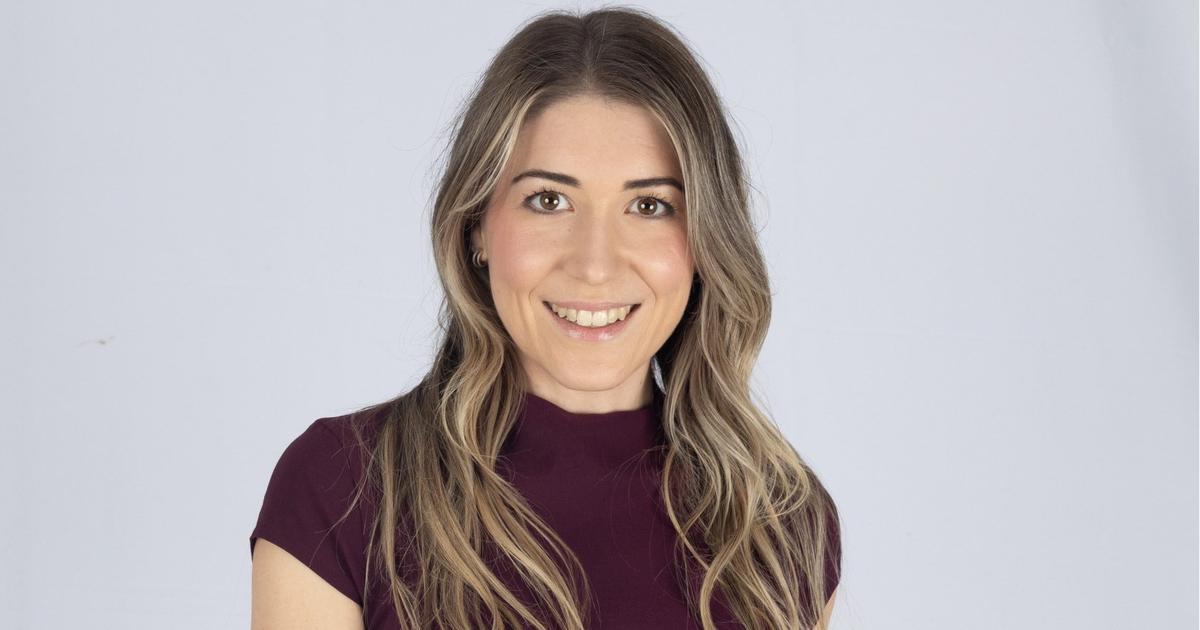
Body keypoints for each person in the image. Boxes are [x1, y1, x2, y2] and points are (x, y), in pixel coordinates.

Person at [249, 7, 841, 630]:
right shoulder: (342, 489)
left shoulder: (782, 521)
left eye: (649, 205)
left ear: (707, 241)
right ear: (476, 225)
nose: (595, 265)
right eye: (549, 200)